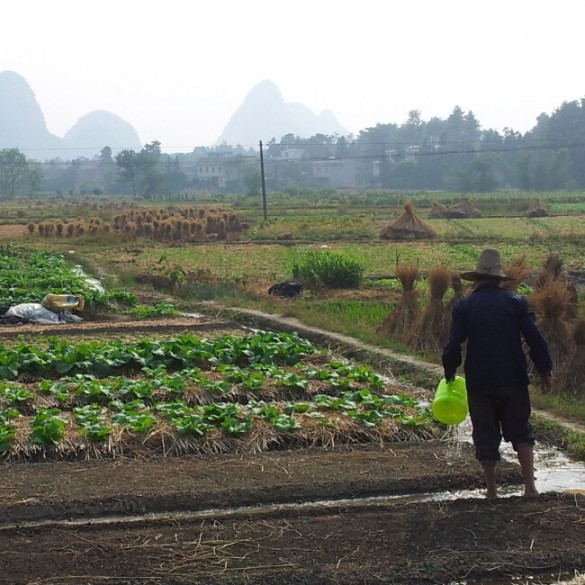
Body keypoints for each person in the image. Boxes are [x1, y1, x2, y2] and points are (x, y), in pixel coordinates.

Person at [442, 248, 553, 499]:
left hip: (480, 380)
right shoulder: (516, 302)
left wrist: (449, 372)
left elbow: (453, 345)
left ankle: (491, 491)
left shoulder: (465, 306)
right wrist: (545, 370)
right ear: (499, 279)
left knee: (485, 433)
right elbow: (535, 338)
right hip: (513, 376)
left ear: (477, 278)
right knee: (521, 431)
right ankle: (530, 487)